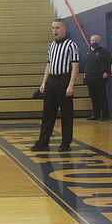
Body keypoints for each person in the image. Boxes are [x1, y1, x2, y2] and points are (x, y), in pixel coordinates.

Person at [31, 19, 80, 152]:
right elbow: (49, 65)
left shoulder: (71, 45)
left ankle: (66, 142)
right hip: (52, 80)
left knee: (66, 113)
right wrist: (44, 82)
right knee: (47, 113)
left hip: (64, 79)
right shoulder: (51, 45)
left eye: (57, 28)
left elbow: (75, 67)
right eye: (53, 28)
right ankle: (43, 142)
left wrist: (71, 85)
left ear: (64, 29)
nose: (55, 30)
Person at [84, 34, 112, 122]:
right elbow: (85, 63)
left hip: (100, 77)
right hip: (90, 77)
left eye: (96, 41)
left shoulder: (104, 51)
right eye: (93, 40)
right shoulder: (87, 51)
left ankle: (105, 115)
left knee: (102, 96)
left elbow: (110, 62)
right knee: (93, 96)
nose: (94, 42)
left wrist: (106, 72)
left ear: (99, 41)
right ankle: (96, 114)